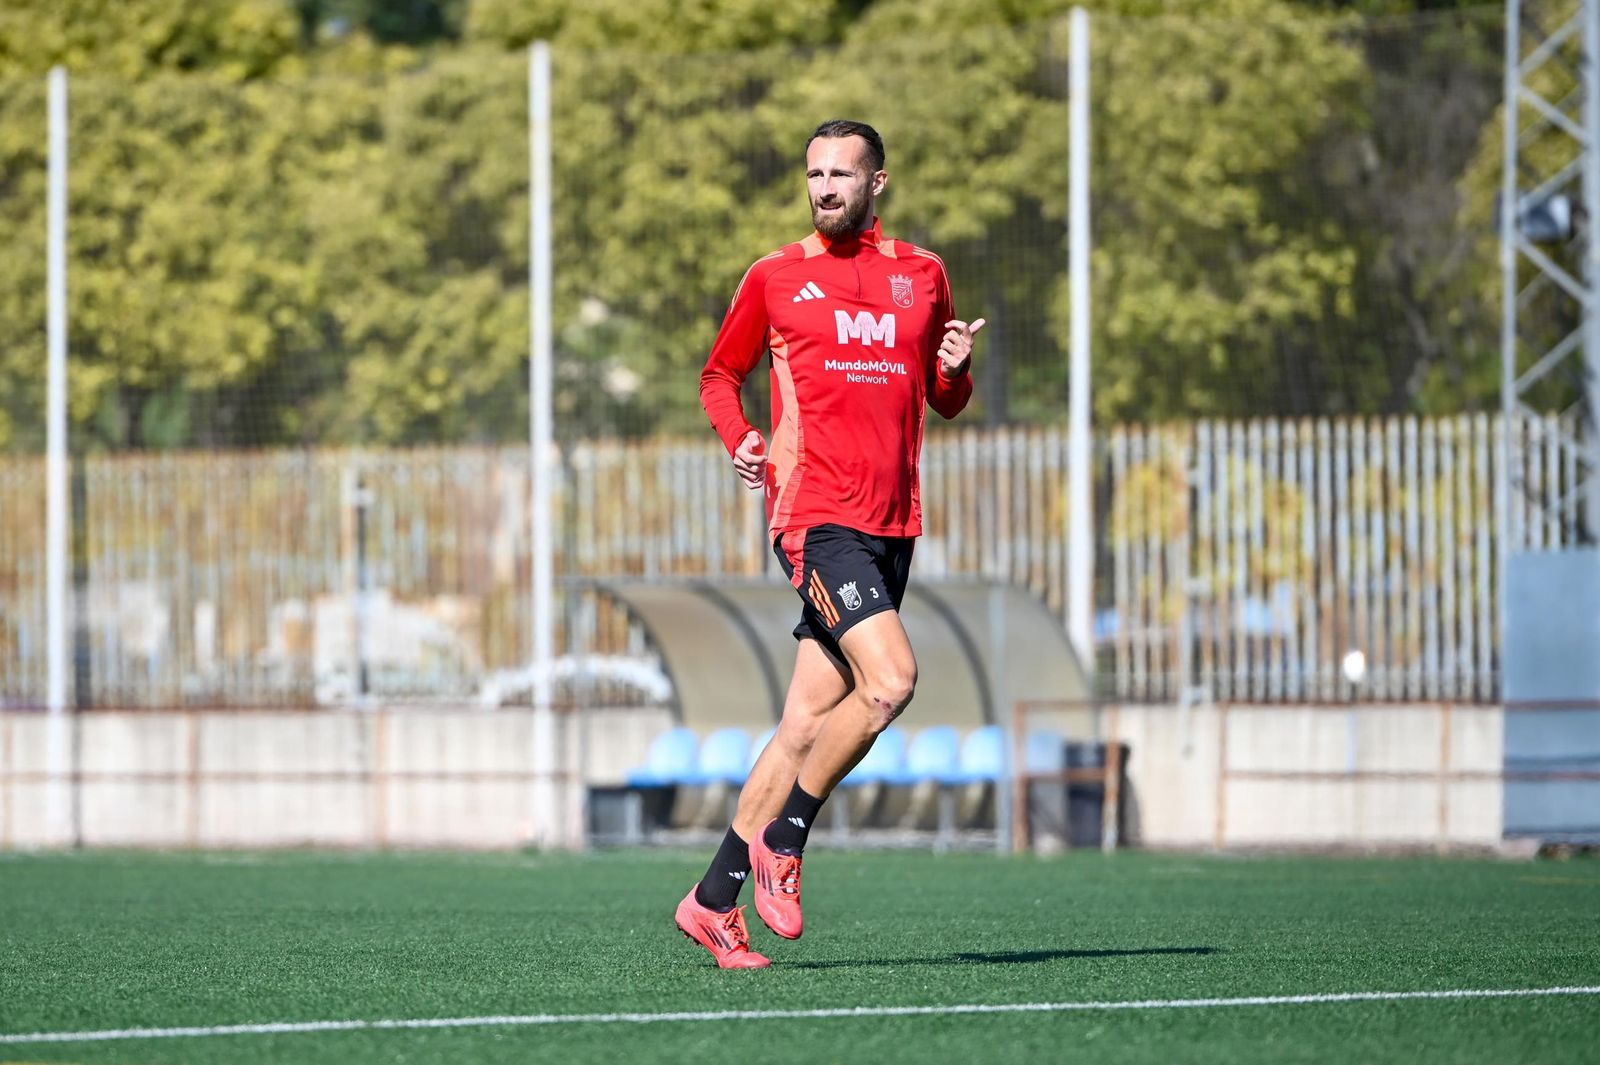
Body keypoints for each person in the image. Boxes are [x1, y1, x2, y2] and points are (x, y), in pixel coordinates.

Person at [674, 119, 984, 969]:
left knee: (806, 724)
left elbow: (942, 395)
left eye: (841, 174)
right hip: (815, 518)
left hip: (893, 524)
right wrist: (737, 434)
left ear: (876, 183)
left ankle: (711, 898)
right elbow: (716, 374)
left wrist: (954, 368)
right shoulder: (776, 276)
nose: (824, 188)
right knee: (892, 682)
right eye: (814, 174)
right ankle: (788, 839)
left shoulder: (922, 275)